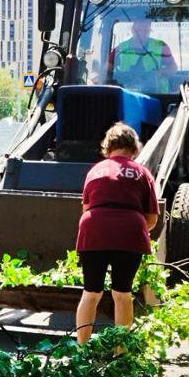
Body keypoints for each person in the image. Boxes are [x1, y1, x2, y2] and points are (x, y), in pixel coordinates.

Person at [73, 122, 160, 344]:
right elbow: (151, 218)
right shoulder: (142, 173)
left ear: (108, 146)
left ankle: (81, 350)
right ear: (134, 148)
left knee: (91, 292)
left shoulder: (94, 170)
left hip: (93, 232)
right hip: (130, 234)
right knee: (122, 294)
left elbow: (87, 208)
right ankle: (120, 353)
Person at [109, 18, 177, 94]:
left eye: (145, 30)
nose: (141, 34)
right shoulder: (120, 49)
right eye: (138, 30)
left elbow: (173, 68)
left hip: (159, 96)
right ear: (132, 30)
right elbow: (106, 70)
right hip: (126, 96)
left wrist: (158, 73)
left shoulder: (161, 46)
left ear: (150, 31)